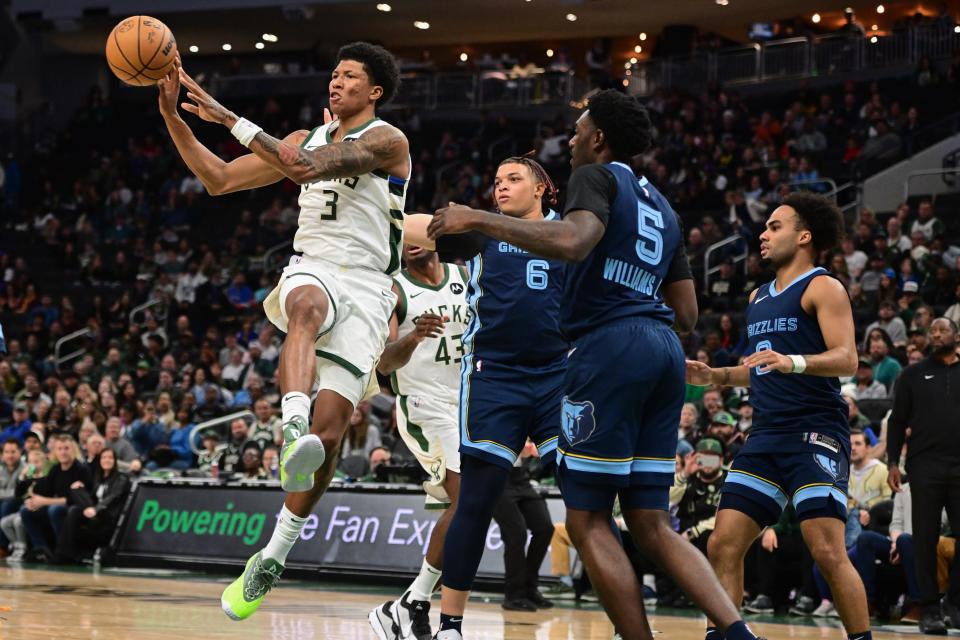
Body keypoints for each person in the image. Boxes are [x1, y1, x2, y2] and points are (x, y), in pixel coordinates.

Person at [429, 89, 758, 640]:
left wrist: (477, 217)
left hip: (609, 349)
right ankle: (735, 632)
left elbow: (575, 241)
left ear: (599, 138)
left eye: (578, 130)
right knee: (652, 522)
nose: (572, 139)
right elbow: (688, 311)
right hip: (662, 349)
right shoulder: (665, 207)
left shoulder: (596, 177)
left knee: (586, 520)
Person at [159, 42, 412, 620]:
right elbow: (219, 178)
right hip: (315, 264)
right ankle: (291, 421)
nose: (335, 81)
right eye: (333, 73)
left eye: (349, 76)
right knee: (302, 306)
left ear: (373, 91)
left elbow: (306, 169)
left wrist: (225, 116)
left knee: (333, 431)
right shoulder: (299, 137)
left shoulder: (387, 140)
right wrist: (174, 116)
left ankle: (273, 554)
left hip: (370, 285)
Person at [686, 192, 873, 640]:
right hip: (766, 435)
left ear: (804, 236)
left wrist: (795, 361)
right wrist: (715, 376)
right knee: (722, 543)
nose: (763, 234)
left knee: (827, 549)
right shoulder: (757, 297)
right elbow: (758, 368)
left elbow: (848, 359)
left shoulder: (823, 287)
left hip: (816, 433)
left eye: (774, 226)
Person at [410, 153, 571, 640]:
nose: (501, 187)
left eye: (514, 179)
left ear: (542, 187)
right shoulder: (481, 229)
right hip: (493, 378)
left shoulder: (572, 233)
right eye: (497, 181)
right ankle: (450, 624)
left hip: (557, 377)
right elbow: (411, 226)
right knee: (475, 504)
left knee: (586, 497)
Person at [368, 242, 468, 640]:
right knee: (467, 499)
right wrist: (414, 337)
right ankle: (416, 601)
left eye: (417, 233)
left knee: (470, 508)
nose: (408, 242)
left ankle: (409, 603)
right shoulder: (395, 290)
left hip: (467, 404)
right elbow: (385, 364)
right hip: (425, 405)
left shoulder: (464, 277)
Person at [887, 317, 960, 634]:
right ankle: (928, 606)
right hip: (924, 465)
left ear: (957, 336)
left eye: (943, 329)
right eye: (932, 330)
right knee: (925, 538)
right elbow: (897, 421)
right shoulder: (912, 375)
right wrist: (892, 461)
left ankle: (953, 602)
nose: (936, 334)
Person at [491, 440, 554, 611]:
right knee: (516, 534)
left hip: (520, 476)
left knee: (545, 528)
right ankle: (514, 595)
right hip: (496, 476)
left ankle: (529, 588)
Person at [19, 434, 93, 562]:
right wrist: (32, 500)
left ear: (73, 450)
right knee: (25, 510)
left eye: (66, 448)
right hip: (58, 505)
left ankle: (63, 552)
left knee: (55, 510)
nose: (63, 452)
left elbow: (74, 499)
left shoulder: (81, 469)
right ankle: (41, 550)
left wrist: (44, 501)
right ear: (55, 452)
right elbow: (45, 491)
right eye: (59, 449)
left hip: (79, 509)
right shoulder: (55, 469)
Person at [52, 447, 130, 564]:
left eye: (110, 457)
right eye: (104, 457)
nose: (107, 460)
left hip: (106, 517)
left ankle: (63, 554)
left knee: (74, 511)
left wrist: (96, 509)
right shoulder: (97, 477)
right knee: (74, 499)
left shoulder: (121, 478)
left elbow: (112, 497)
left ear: (115, 461)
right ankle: (66, 553)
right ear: (100, 460)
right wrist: (81, 487)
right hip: (92, 513)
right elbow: (90, 496)